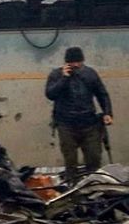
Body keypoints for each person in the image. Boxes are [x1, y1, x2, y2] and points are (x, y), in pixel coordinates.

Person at [46, 46, 113, 183]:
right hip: (66, 124)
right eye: (73, 62)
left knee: (94, 158)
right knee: (70, 160)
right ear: (67, 62)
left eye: (78, 62)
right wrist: (64, 78)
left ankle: (94, 186)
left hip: (89, 123)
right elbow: (50, 94)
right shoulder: (56, 75)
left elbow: (102, 93)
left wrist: (107, 112)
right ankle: (72, 185)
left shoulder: (90, 74)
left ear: (82, 61)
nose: (76, 65)